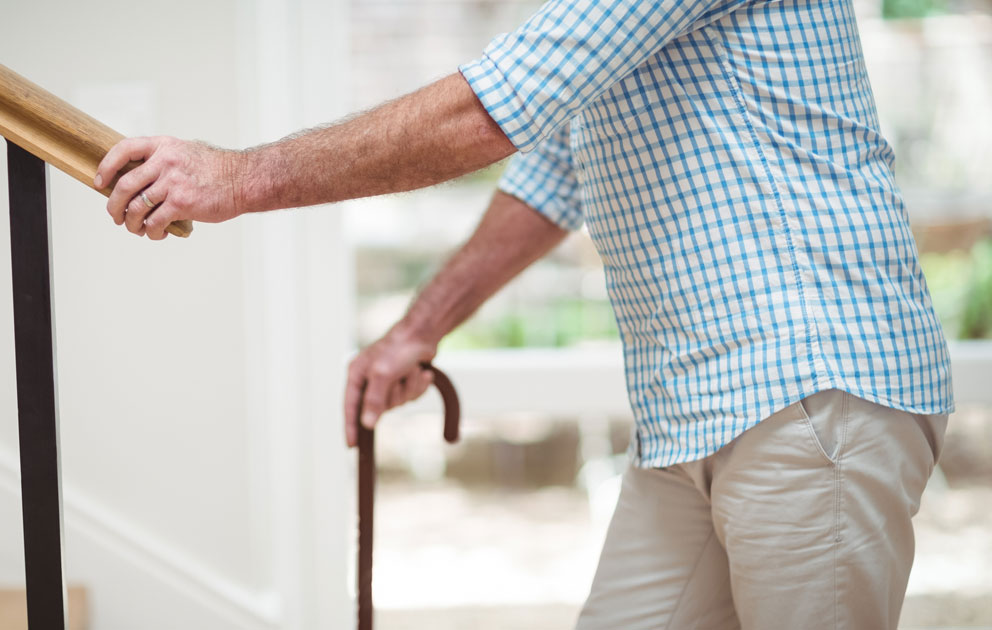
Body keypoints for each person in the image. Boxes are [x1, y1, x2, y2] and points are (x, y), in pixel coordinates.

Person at [96, 0, 952, 627]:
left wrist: (242, 178)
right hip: (698, 411)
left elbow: (489, 109)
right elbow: (552, 176)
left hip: (808, 383)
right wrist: (417, 328)